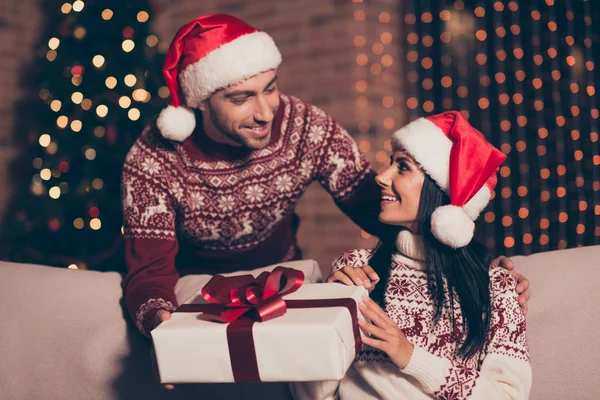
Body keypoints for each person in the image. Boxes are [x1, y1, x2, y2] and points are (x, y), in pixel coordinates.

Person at [121, 14, 529, 354]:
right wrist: (164, 324)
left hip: (279, 280)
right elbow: (150, 272)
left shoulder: (304, 126)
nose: (265, 112)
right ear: (200, 101)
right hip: (198, 294)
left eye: (271, 88)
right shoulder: (153, 159)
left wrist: (476, 266)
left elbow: (380, 206)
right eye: (241, 98)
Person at [292, 111, 531, 399]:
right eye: (390, 163)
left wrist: (410, 357)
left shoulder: (496, 286)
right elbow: (311, 394)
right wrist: (330, 309)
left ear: (440, 190)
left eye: (402, 167)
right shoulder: (354, 269)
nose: (381, 177)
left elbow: (508, 396)